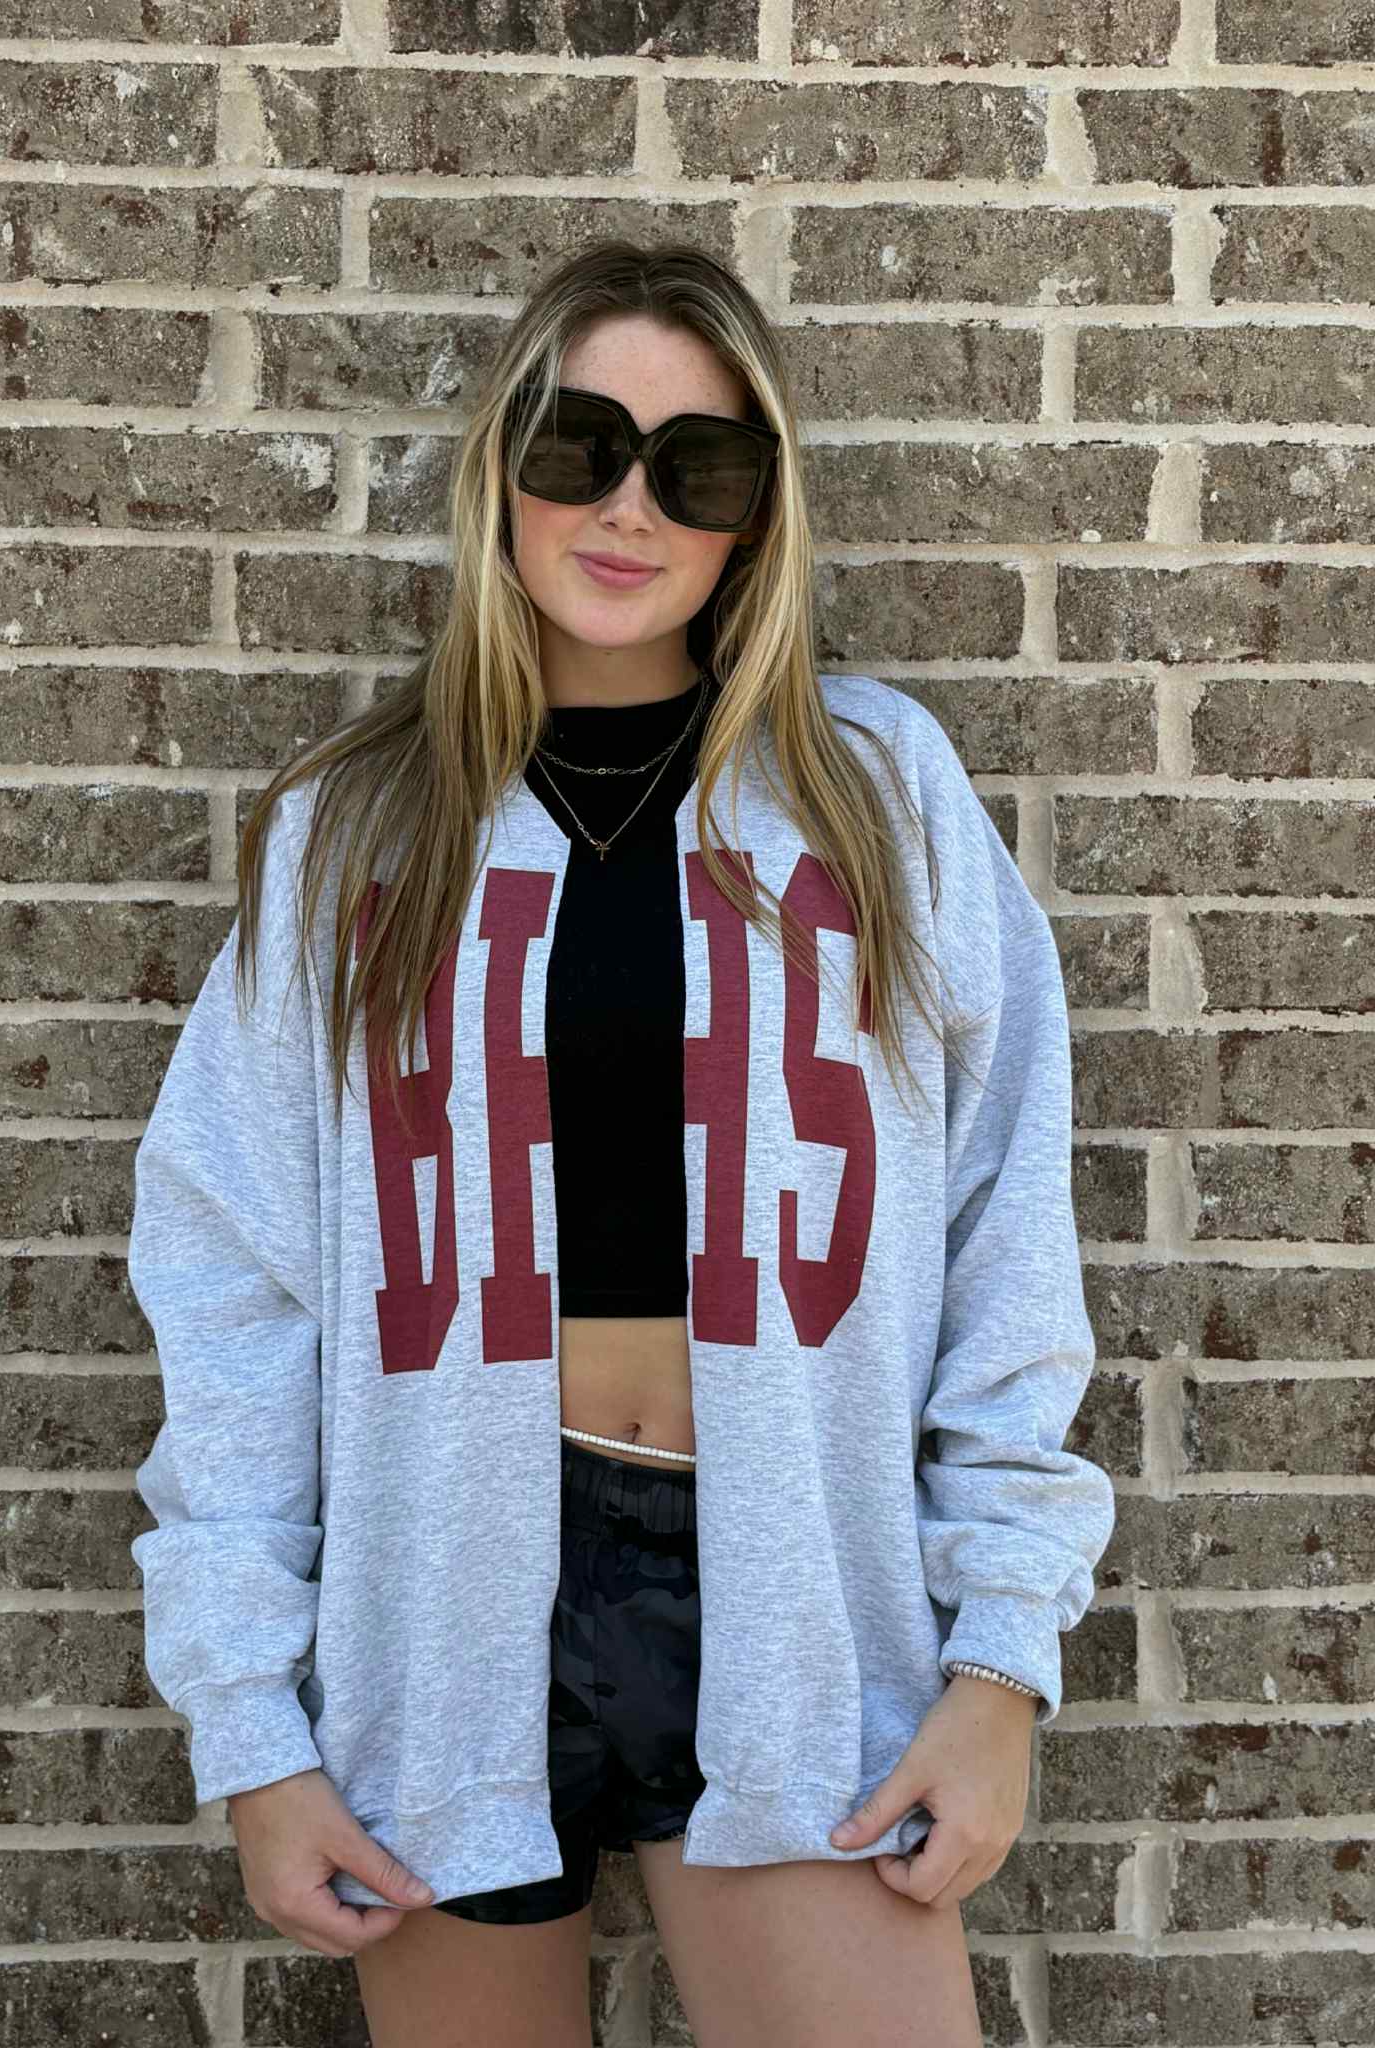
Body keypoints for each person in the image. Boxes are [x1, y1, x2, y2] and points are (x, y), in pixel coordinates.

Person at [127, 239, 1115, 2048]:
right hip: (446, 1588)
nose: (629, 505)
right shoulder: (356, 835)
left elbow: (1005, 1226)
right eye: (578, 445)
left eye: (698, 466)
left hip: (795, 1588)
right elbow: (233, 1278)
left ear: (759, 514)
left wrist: (1000, 1663)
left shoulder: (876, 793)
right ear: (502, 468)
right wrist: (251, 1728)